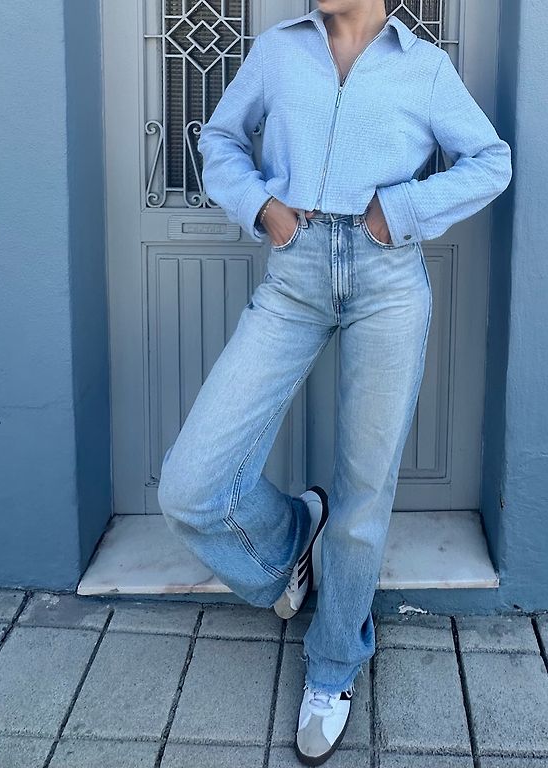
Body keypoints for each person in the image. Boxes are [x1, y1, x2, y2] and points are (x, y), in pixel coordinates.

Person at [157, 0, 512, 764]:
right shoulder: (278, 51)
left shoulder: (423, 67)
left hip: (387, 282)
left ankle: (333, 661)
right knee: (190, 485)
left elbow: (491, 161)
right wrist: (263, 207)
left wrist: (400, 209)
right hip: (295, 275)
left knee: (363, 492)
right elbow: (219, 138)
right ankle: (290, 545)